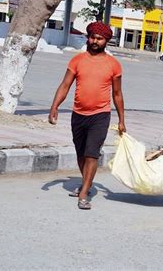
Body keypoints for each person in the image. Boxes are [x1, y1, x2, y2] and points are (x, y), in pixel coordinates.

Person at [49, 21, 126, 210]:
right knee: (81, 153)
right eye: (92, 37)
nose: (95, 41)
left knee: (92, 153)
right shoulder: (77, 60)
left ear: (106, 41)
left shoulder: (113, 65)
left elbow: (117, 94)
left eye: (99, 39)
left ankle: (84, 193)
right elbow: (65, 85)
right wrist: (54, 106)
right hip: (78, 114)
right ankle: (87, 183)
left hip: (100, 115)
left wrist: (122, 120)